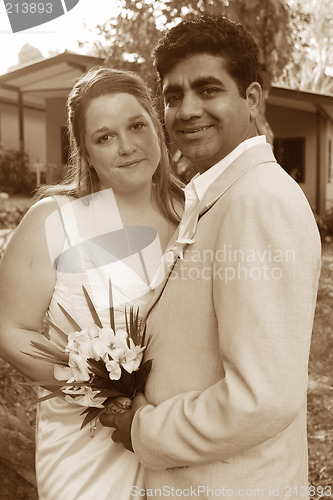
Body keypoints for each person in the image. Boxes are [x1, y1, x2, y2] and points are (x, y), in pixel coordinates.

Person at [100, 16, 322, 499]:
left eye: (208, 89)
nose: (187, 110)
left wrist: (144, 429)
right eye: (174, 95)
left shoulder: (258, 201)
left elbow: (260, 399)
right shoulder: (217, 195)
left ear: (253, 100)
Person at [0, 66, 183, 500]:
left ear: (156, 124)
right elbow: (9, 328)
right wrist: (92, 387)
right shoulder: (55, 220)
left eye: (137, 125)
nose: (126, 147)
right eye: (104, 137)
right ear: (85, 150)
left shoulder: (196, 213)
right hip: (85, 452)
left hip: (180, 442)